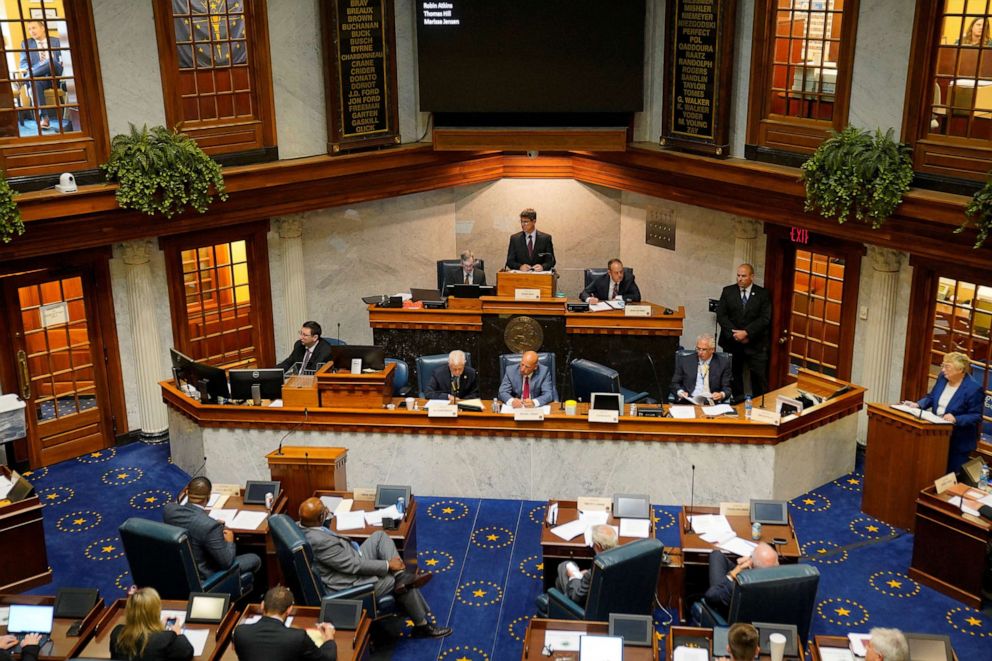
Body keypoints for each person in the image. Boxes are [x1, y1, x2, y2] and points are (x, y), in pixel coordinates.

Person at [298, 497, 452, 639]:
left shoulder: (303, 525)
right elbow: (353, 566)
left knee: (380, 537)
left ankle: (401, 575)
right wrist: (387, 565)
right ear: (319, 518)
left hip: (348, 558)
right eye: (325, 511)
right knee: (398, 583)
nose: (328, 512)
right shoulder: (320, 542)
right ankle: (422, 625)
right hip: (347, 582)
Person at [163, 476, 261, 594]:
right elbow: (227, 562)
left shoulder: (169, 511)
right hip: (205, 577)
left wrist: (209, 521)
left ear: (188, 493)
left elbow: (191, 522)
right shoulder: (210, 527)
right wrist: (230, 541)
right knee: (255, 559)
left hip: (179, 572)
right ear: (208, 497)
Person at [901, 350, 984, 474]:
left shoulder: (973, 388)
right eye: (943, 366)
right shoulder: (942, 378)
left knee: (950, 475)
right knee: (932, 470)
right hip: (937, 434)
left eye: (947, 367)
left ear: (960, 370)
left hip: (958, 441)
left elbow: (976, 416)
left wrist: (956, 419)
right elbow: (931, 397)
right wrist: (918, 404)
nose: (943, 370)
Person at [232, 585, 336, 661]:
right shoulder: (297, 637)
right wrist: (329, 637)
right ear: (289, 610)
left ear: (262, 605)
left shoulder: (240, 632)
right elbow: (327, 659)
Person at [716, 263, 772, 399]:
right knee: (733, 375)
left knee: (758, 377)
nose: (740, 279)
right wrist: (735, 334)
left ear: (751, 276)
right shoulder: (728, 291)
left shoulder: (762, 294)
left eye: (743, 276)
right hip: (732, 342)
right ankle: (738, 401)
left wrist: (747, 333)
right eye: (738, 275)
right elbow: (721, 315)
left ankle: (760, 403)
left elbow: (765, 319)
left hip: (755, 343)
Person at [110, 587, 194, 661]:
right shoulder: (167, 638)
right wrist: (178, 634)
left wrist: (159, 629)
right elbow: (187, 652)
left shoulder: (117, 634)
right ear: (155, 613)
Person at [703, 542, 779, 618]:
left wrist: (733, 574)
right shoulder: (782, 580)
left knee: (716, 555)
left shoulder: (738, 586)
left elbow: (710, 596)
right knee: (717, 555)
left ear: (751, 565)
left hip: (730, 616)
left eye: (751, 556)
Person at [555, 524, 618, 606]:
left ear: (598, 546)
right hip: (612, 603)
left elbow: (576, 597)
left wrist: (574, 576)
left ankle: (559, 606)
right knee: (559, 581)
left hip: (587, 608)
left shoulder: (594, 573)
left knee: (564, 566)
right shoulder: (622, 561)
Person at [18, 20, 63, 130]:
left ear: (43, 28)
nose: (31, 31)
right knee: (35, 82)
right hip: (40, 78)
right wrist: (34, 70)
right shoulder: (26, 43)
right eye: (29, 29)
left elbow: (66, 58)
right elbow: (23, 64)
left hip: (56, 75)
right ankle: (44, 118)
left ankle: (25, 79)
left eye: (34, 28)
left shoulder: (57, 41)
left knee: (50, 61)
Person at [670, 333, 732, 403]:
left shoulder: (723, 363)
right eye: (698, 349)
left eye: (704, 350)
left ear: (712, 350)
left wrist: (721, 394)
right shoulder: (684, 361)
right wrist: (680, 392)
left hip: (711, 402)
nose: (700, 352)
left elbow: (727, 388)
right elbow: (674, 383)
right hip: (689, 400)